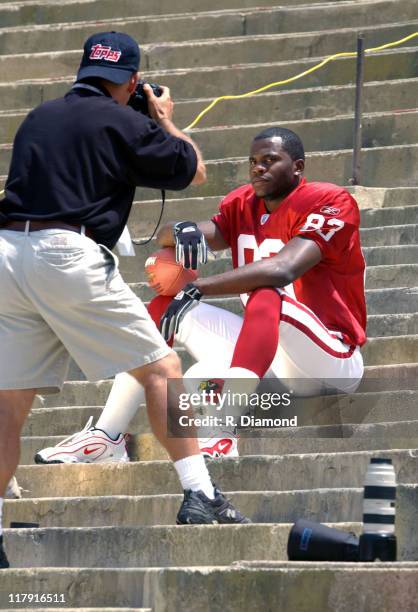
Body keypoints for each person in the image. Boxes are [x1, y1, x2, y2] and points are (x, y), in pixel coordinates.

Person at [0, 31, 249, 570]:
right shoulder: (127, 120)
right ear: (132, 81)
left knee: (9, 404)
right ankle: (201, 494)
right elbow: (192, 167)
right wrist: (160, 116)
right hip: (66, 253)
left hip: (8, 254)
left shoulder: (39, 116)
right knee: (162, 366)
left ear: (83, 71)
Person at [38, 127, 366, 464]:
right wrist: (182, 230)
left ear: (297, 166)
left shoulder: (330, 201)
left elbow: (283, 269)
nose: (258, 168)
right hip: (267, 371)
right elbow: (181, 236)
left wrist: (199, 287)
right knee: (168, 316)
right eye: (253, 161)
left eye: (270, 160)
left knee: (267, 296)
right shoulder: (242, 205)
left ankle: (224, 430)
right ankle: (107, 437)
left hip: (329, 363)